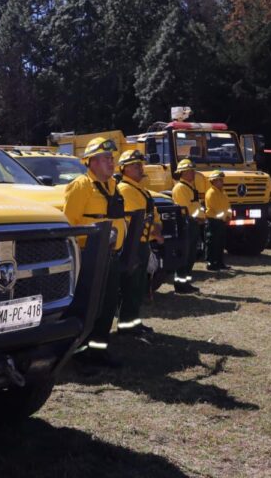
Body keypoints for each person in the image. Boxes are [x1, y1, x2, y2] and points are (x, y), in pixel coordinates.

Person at [63, 137, 126, 368]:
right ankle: (79, 356)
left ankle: (99, 350)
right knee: (86, 307)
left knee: (106, 306)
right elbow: (69, 225)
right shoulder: (80, 186)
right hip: (88, 258)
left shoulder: (112, 186)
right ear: (91, 162)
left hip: (110, 256)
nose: (112, 163)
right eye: (106, 159)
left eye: (112, 158)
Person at [116, 150, 164, 336]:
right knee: (131, 287)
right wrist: (156, 232)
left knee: (138, 286)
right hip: (133, 245)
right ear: (124, 169)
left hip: (142, 243)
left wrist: (156, 228)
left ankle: (134, 322)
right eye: (134, 165)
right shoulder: (126, 190)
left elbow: (153, 214)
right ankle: (127, 326)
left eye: (140, 164)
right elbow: (137, 219)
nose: (139, 167)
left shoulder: (139, 189)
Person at [171, 159, 205, 293]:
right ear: (182, 173)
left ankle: (186, 283)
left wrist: (201, 218)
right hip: (187, 225)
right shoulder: (180, 188)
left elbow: (195, 206)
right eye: (189, 171)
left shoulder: (190, 187)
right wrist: (197, 218)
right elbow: (184, 209)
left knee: (191, 256)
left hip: (193, 224)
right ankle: (180, 285)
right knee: (185, 256)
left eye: (192, 171)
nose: (192, 173)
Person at [204, 170, 232, 271]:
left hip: (221, 221)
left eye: (221, 179)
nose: (221, 182)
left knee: (220, 243)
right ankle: (211, 263)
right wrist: (226, 217)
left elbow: (227, 206)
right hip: (213, 222)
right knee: (212, 243)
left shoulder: (223, 192)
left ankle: (220, 263)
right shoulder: (211, 193)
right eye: (219, 180)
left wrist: (229, 215)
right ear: (213, 181)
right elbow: (217, 208)